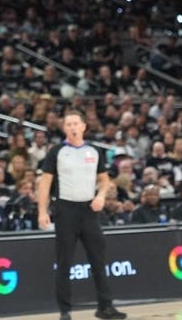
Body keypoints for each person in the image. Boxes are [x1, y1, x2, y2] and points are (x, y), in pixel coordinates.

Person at [37, 111, 127, 320]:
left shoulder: (94, 151)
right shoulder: (57, 152)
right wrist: (42, 211)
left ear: (84, 126)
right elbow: (45, 184)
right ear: (64, 128)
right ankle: (65, 311)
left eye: (76, 123)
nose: (72, 127)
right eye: (68, 124)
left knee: (98, 259)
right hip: (65, 210)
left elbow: (104, 180)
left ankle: (105, 307)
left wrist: (101, 196)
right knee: (64, 261)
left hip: (89, 211)